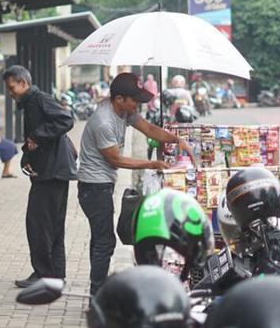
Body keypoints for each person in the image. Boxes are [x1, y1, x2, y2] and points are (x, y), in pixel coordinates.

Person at [77, 72, 196, 295]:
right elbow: (115, 159)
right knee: (105, 242)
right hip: (93, 188)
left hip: (102, 184)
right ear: (120, 98)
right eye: (134, 99)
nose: (137, 104)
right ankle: (97, 296)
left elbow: (149, 129)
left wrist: (177, 140)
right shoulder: (103, 121)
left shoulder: (124, 111)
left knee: (100, 239)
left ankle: (98, 290)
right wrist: (151, 164)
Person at [3, 65, 78, 288]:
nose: (10, 92)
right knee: (52, 224)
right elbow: (37, 139)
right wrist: (27, 157)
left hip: (53, 172)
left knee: (38, 223)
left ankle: (45, 274)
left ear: (23, 83)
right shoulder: (30, 103)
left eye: (11, 87)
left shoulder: (39, 99)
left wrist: (37, 135)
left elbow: (66, 119)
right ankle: (54, 274)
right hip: (50, 170)